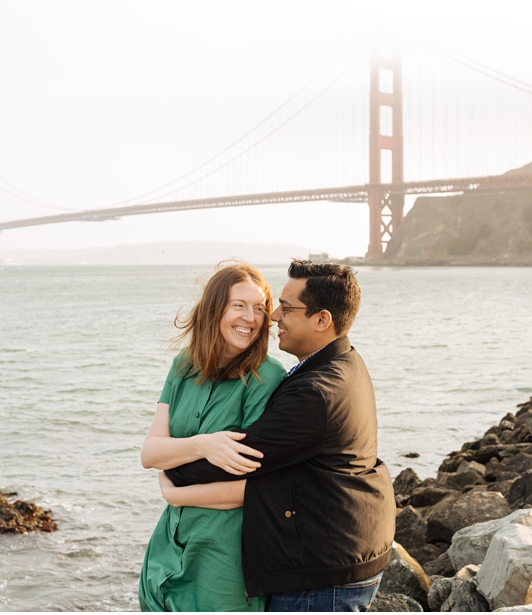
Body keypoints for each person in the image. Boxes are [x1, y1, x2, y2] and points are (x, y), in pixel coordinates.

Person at [162, 260, 396, 612]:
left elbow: (236, 459)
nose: (272, 317)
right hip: (345, 548)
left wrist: (172, 475)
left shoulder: (316, 392)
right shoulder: (342, 361)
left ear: (322, 320)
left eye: (285, 307)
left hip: (322, 574)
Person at [138, 263, 286, 612]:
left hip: (224, 556)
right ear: (214, 308)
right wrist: (206, 444)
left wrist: (175, 494)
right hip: (168, 543)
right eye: (239, 305)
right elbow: (150, 454)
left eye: (260, 308)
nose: (250, 318)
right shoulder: (183, 365)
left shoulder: (268, 376)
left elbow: (253, 489)